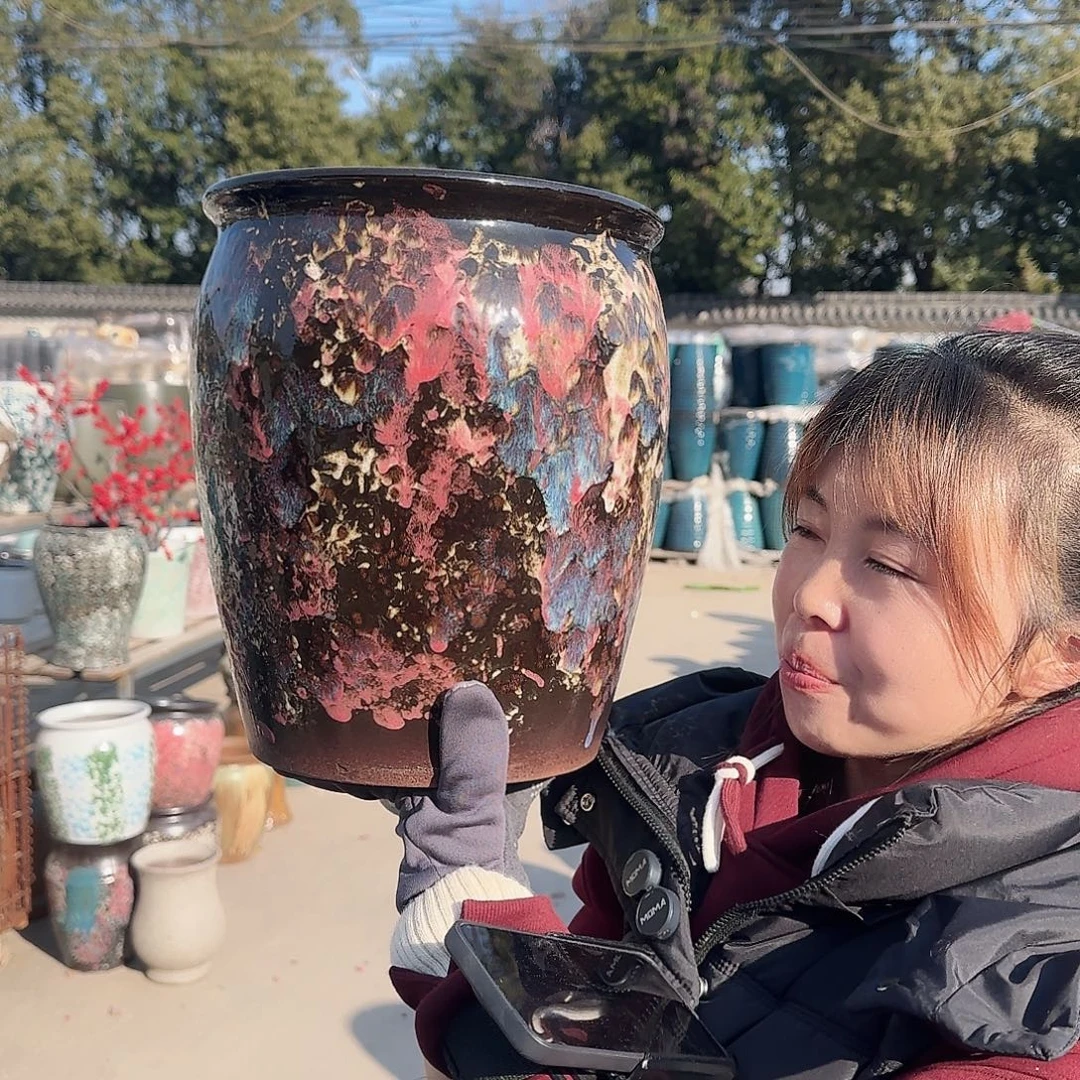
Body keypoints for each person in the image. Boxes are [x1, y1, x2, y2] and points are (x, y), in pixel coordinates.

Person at [375, 331, 1080, 1080]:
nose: (808, 594)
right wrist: (492, 962)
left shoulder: (1036, 991)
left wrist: (474, 915)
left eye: (887, 564)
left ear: (1057, 652)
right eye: (807, 530)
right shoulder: (690, 781)